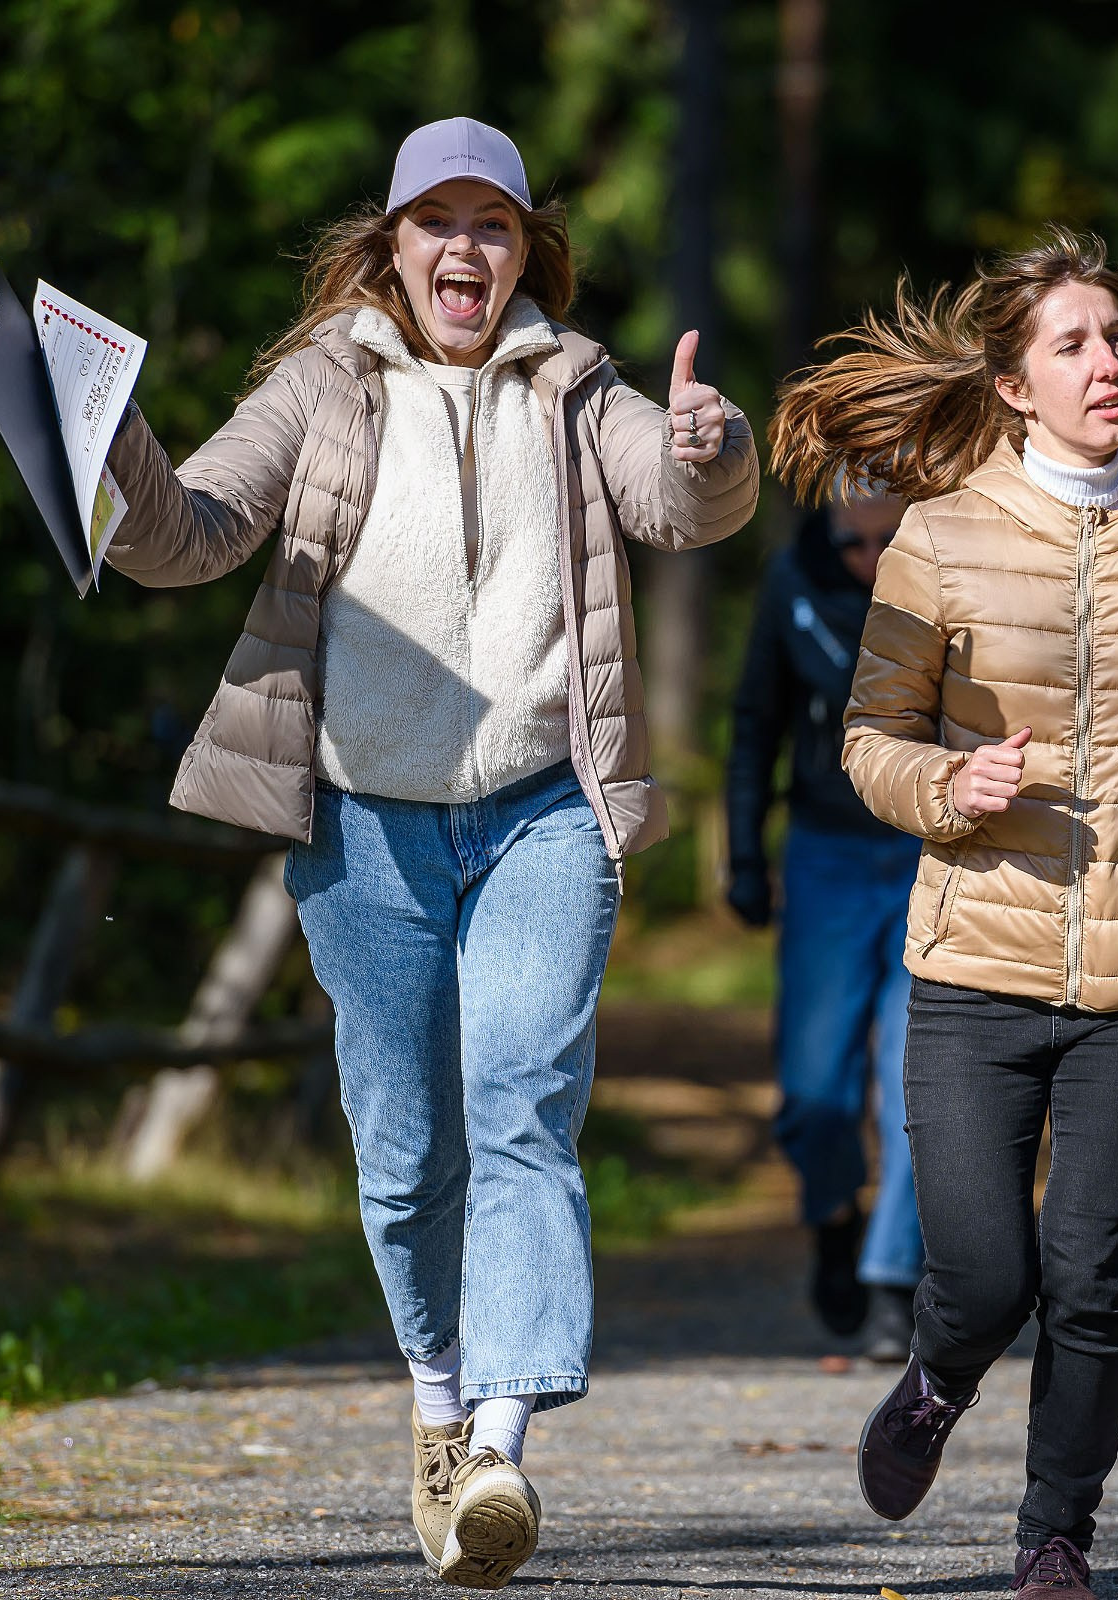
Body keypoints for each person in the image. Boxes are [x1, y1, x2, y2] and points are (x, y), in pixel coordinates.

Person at [98, 117, 759, 1589]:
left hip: (541, 806)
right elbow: (189, 534)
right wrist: (108, 446)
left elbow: (678, 498)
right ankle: (442, 1411)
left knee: (523, 1104)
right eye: (438, 223)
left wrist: (716, 449)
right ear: (393, 246)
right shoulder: (321, 386)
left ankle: (505, 1453)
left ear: (529, 252)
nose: (467, 248)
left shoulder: (576, 387)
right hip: (363, 818)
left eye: (496, 225)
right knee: (404, 1159)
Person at [769, 226, 1118, 1599]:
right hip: (972, 968)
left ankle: (1054, 1540)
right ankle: (932, 1385)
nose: (1109, 364)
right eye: (1074, 343)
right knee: (983, 1270)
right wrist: (949, 784)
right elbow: (869, 740)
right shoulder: (941, 540)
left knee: (1090, 1276)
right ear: (1014, 383)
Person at [724, 481, 926, 1360]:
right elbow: (754, 719)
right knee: (814, 1093)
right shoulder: (792, 583)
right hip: (824, 858)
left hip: (933, 854)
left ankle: (893, 1282)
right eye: (855, 543)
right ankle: (834, 1220)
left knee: (921, 1085)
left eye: (892, 541)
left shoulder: (948, 582)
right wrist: (741, 851)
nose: (872, 562)